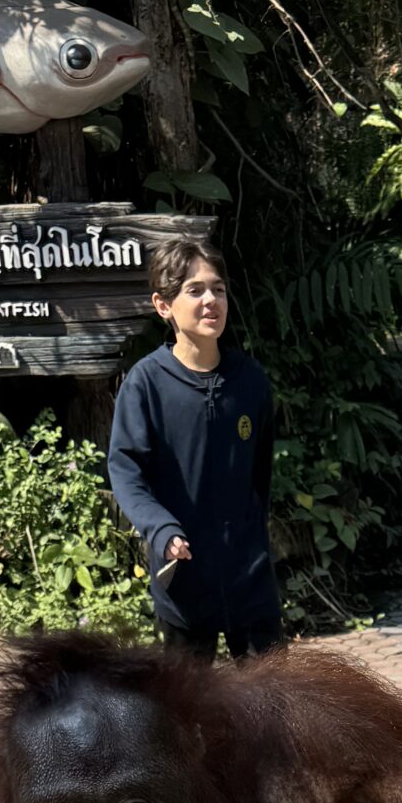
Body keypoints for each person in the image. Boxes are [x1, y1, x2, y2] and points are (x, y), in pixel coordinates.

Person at [108, 237, 281, 657]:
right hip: (183, 579)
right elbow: (126, 472)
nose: (211, 301)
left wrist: (252, 538)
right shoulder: (146, 384)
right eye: (195, 290)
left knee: (270, 709)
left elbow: (261, 475)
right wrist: (161, 529)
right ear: (163, 305)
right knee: (187, 715)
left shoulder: (250, 381)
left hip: (250, 578)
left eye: (218, 289)